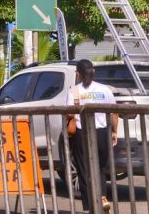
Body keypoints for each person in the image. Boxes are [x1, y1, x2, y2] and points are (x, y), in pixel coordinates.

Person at [66, 59, 117, 213]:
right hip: (102, 134)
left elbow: (69, 112)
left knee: (83, 171)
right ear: (93, 72)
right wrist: (114, 131)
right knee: (100, 169)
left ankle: (90, 207)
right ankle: (102, 198)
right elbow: (114, 111)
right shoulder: (105, 90)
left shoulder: (74, 91)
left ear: (78, 74)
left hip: (83, 134)